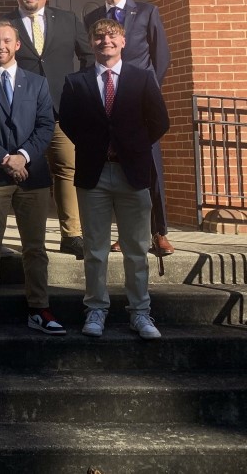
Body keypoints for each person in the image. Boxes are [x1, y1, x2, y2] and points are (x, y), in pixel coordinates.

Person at [59, 19, 170, 340]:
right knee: (95, 249)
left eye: (111, 36)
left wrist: (132, 146)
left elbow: (159, 121)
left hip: (133, 172)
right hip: (94, 173)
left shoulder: (142, 78)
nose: (104, 40)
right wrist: (95, 146)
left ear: (123, 42)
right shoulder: (75, 82)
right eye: (98, 36)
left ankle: (140, 313)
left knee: (136, 249)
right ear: (91, 43)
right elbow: (69, 123)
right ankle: (96, 309)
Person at [0, 20, 64, 337]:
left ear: (17, 44)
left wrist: (24, 156)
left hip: (32, 176)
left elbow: (46, 124)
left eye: (7, 40)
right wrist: (4, 158)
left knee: (34, 248)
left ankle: (39, 308)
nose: (0, 46)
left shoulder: (36, 83)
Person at [2, 0, 93, 260]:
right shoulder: (6, 25)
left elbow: (88, 56)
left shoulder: (67, 20)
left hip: (61, 110)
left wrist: (83, 88)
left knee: (67, 169)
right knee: (27, 174)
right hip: (21, 112)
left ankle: (72, 235)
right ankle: (32, 235)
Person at [85, 0, 173, 256]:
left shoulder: (147, 12)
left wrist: (146, 88)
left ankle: (159, 232)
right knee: (119, 168)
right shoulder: (94, 17)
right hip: (108, 99)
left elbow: (161, 56)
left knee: (150, 166)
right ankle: (127, 234)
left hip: (140, 101)